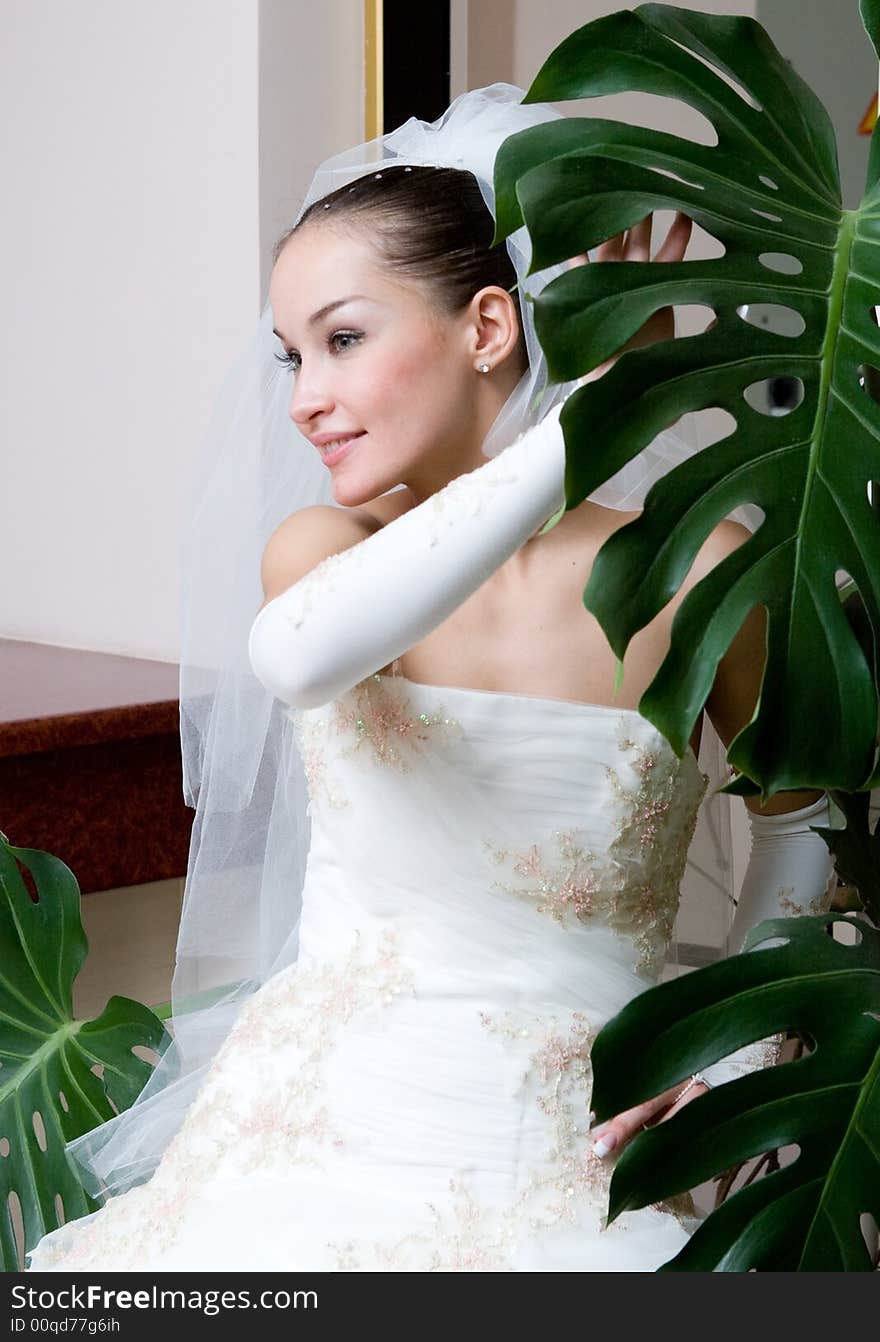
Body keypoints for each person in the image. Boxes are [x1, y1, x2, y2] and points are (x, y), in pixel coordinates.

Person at [27, 84, 836, 1273]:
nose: (303, 396)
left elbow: (803, 814)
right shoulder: (321, 557)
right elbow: (299, 656)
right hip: (316, 1136)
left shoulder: (696, 566)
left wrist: (724, 1058)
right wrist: (592, 417)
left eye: (342, 339)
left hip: (582, 1135)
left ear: (489, 329)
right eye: (291, 353)